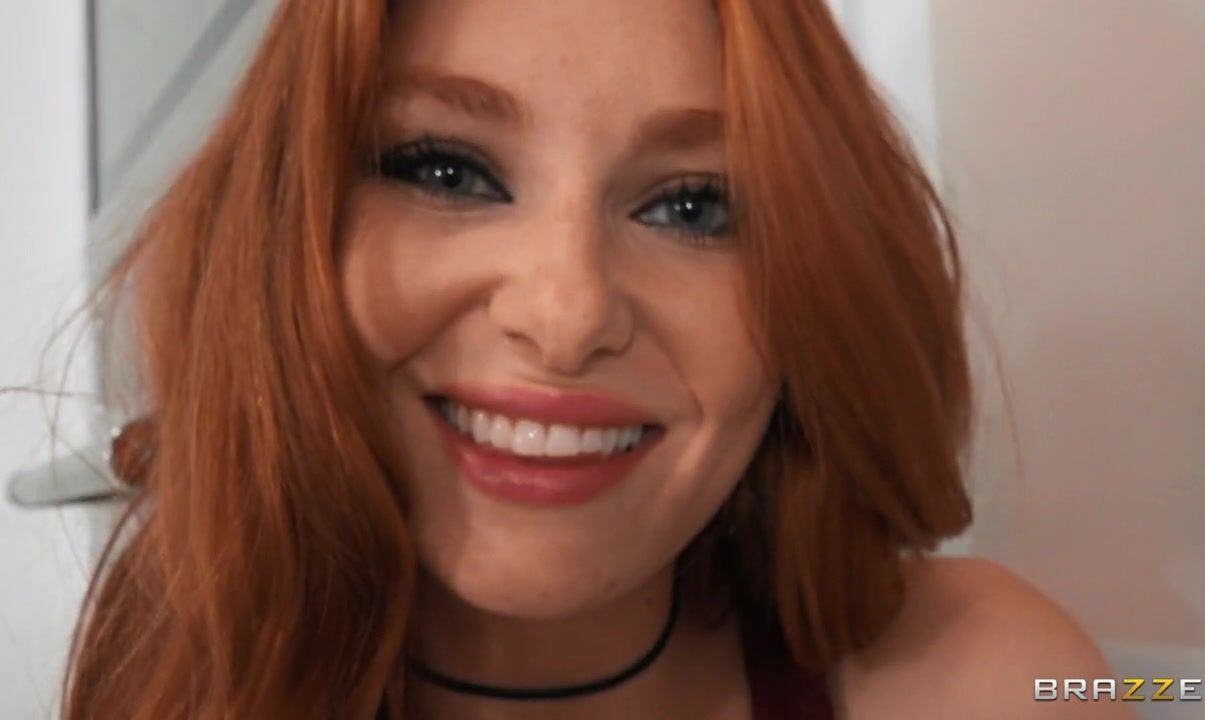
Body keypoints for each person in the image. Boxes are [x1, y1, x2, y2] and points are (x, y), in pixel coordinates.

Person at [63, 0, 1131, 718]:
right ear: (283, 229)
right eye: (446, 170)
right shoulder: (161, 676)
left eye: (692, 206)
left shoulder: (998, 684)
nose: (568, 315)